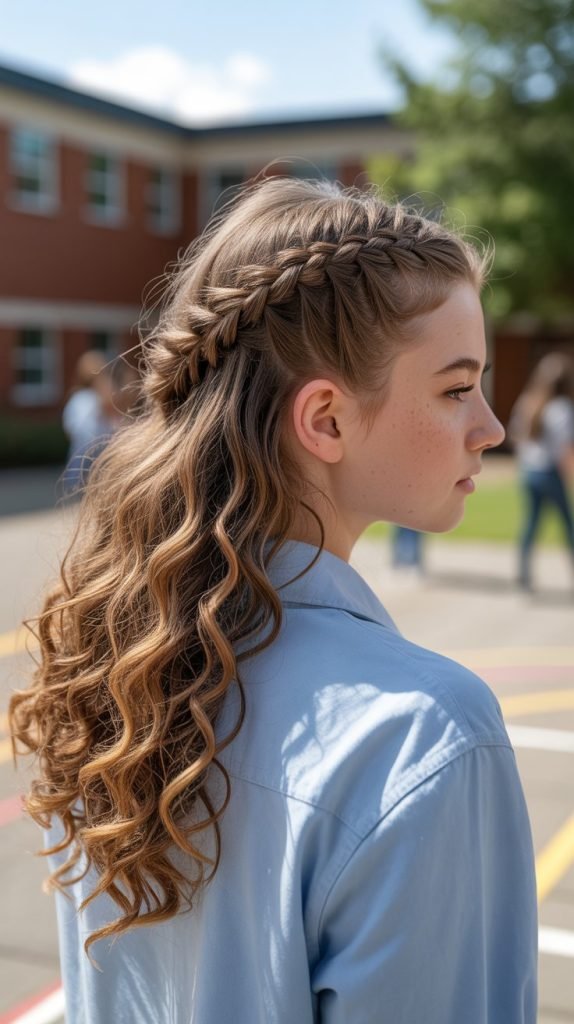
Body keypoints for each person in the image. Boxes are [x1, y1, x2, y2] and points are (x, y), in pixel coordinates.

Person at [9, 178, 537, 1023]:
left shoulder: (113, 663)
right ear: (325, 420)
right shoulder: (422, 733)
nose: (491, 426)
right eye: (454, 388)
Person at [509, 351, 574, 590]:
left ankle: (523, 576)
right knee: (568, 526)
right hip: (550, 472)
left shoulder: (528, 401)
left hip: (530, 471)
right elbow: (565, 449)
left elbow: (517, 438)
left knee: (531, 523)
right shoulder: (562, 408)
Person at [60, 349, 120, 496]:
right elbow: (113, 426)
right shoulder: (93, 399)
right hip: (93, 459)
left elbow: (70, 428)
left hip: (89, 459)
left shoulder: (78, 399)